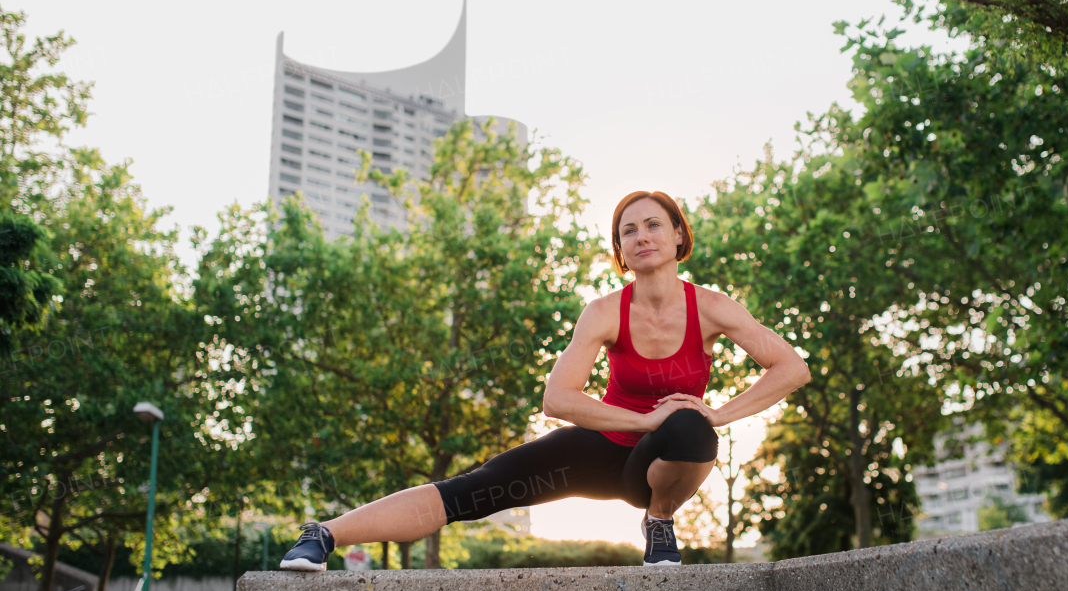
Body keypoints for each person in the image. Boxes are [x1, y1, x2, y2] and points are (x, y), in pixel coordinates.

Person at [279, 190, 810, 569]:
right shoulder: (603, 312)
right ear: (620, 252)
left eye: (653, 224)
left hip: (660, 465)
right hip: (599, 450)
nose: (642, 235)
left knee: (694, 430)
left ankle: (659, 521)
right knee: (474, 489)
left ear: (678, 236)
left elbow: (791, 367)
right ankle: (323, 534)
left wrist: (717, 411)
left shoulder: (713, 308)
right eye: (628, 230)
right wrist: (644, 417)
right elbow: (557, 398)